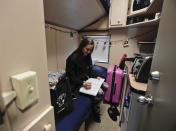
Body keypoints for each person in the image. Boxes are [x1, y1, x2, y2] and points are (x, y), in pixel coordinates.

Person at [66, 38, 107, 123]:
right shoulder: (71, 59)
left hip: (85, 80)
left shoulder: (87, 56)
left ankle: (94, 106)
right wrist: (82, 83)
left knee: (105, 85)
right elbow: (71, 78)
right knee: (99, 93)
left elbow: (89, 70)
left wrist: (96, 77)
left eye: (90, 50)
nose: (89, 52)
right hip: (76, 84)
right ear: (82, 46)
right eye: (87, 49)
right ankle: (96, 114)